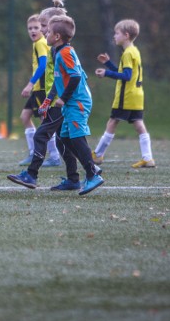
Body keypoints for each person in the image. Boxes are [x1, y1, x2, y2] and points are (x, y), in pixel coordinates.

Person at [8, 15, 103, 196]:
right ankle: (83, 174)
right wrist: (47, 101)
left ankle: (92, 173)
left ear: (57, 36)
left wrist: (63, 99)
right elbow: (58, 81)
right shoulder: (57, 52)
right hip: (70, 101)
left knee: (76, 137)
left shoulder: (66, 52)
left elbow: (75, 77)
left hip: (78, 102)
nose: (45, 33)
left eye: (48, 31)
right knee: (64, 139)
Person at [93, 19, 156, 168]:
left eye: (116, 33)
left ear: (126, 35)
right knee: (139, 124)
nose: (114, 36)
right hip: (137, 95)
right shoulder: (134, 50)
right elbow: (126, 73)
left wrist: (106, 73)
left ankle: (97, 155)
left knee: (113, 122)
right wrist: (108, 64)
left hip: (126, 96)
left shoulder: (127, 53)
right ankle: (148, 158)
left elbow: (126, 76)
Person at [18, 8, 62, 167]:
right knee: (25, 116)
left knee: (45, 120)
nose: (33, 31)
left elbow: (43, 65)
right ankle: (32, 153)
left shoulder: (41, 43)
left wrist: (30, 84)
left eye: (37, 27)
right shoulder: (38, 43)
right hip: (37, 88)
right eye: (30, 28)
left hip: (42, 88)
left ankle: (54, 156)